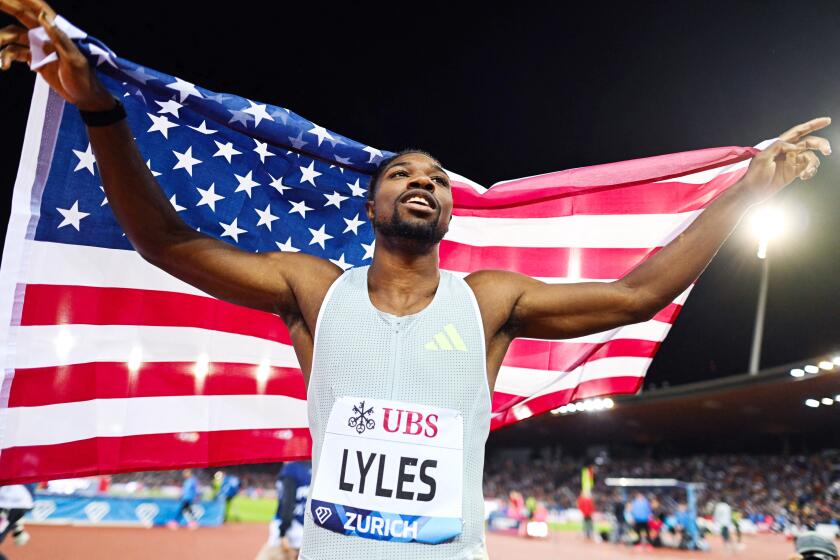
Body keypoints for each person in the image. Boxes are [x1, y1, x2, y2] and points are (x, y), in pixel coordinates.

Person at [0, 2, 830, 558]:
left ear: (450, 214)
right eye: (401, 173)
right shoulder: (313, 289)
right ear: (372, 204)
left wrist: (749, 190)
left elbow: (636, 295)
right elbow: (165, 243)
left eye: (435, 176)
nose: (421, 181)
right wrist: (100, 110)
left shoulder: (491, 300)